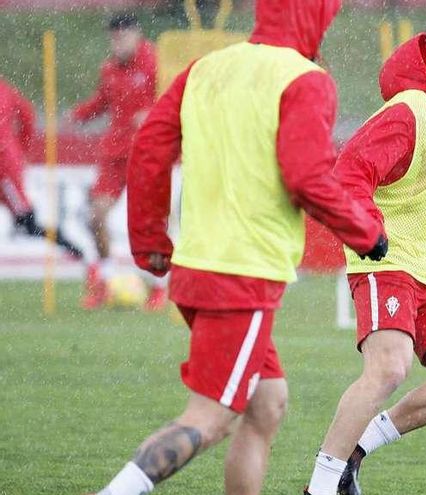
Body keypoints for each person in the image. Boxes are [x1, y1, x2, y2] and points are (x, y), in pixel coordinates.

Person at [89, 0, 387, 494]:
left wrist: (149, 239)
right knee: (209, 419)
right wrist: (367, 233)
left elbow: (149, 147)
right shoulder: (306, 79)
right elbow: (307, 178)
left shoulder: (206, 67)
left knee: (266, 403)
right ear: (314, 14)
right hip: (242, 277)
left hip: (195, 267)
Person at [304, 2, 426, 494]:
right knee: (389, 368)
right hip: (389, 262)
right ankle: (320, 486)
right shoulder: (408, 111)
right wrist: (370, 232)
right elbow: (348, 175)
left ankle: (357, 450)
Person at [69, 13, 164, 310]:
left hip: (148, 153)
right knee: (96, 216)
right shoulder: (109, 68)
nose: (118, 43)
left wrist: (153, 113)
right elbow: (102, 102)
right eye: (114, 38)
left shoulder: (156, 63)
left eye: (123, 36)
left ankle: (159, 286)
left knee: (151, 223)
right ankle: (105, 281)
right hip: (114, 154)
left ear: (138, 34)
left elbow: (176, 97)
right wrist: (78, 115)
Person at [0, 76, 82, 258]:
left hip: (4, 171)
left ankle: (70, 245)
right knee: (26, 223)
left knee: (26, 222)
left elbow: (27, 116)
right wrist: (19, 149)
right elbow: (27, 114)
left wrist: (17, 150)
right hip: (9, 162)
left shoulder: (4, 91)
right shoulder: (5, 88)